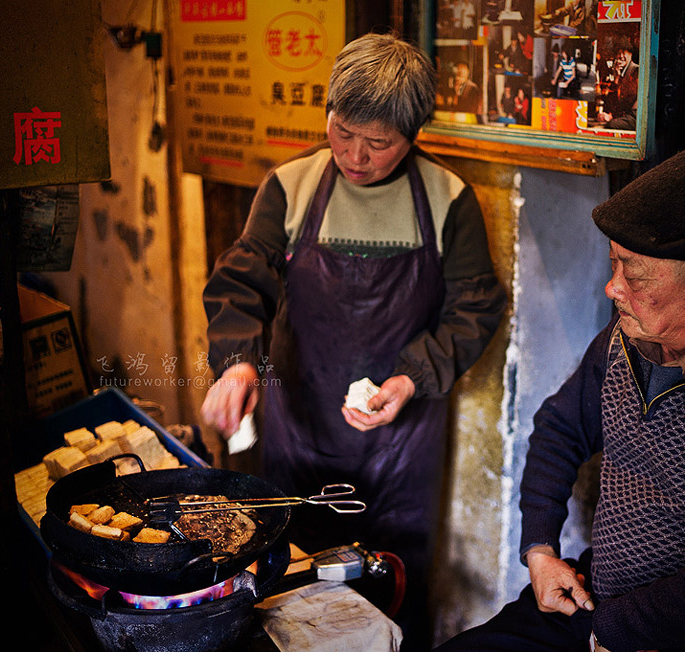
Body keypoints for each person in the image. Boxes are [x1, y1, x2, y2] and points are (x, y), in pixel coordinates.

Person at [435, 135, 685, 652]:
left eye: (632, 274)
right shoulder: (626, 336)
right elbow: (558, 429)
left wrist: (615, 631)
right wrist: (541, 550)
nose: (612, 288)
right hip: (597, 602)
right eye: (613, 263)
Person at [201, 32, 506, 647]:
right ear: (329, 115)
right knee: (289, 580)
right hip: (298, 421)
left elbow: (475, 307)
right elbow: (242, 281)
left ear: (413, 135)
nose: (356, 156)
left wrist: (411, 378)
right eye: (344, 132)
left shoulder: (449, 200)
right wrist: (236, 364)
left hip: (401, 440)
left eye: (379, 143)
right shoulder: (290, 186)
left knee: (391, 582)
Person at [597, 40, 639, 129]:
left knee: (612, 125)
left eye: (624, 53)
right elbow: (617, 99)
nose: (620, 56)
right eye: (618, 53)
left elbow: (627, 100)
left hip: (636, 116)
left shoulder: (636, 71)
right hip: (627, 115)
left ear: (630, 54)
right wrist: (617, 76)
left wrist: (612, 117)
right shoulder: (621, 73)